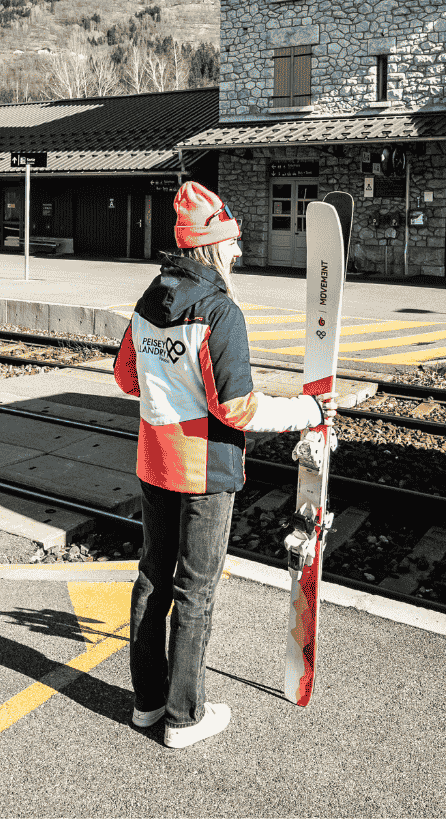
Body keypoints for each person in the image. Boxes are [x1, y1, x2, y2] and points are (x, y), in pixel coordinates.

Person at [113, 180, 333, 749]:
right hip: (203, 470)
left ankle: (147, 702)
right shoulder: (220, 311)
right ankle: (183, 719)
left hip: (154, 460)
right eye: (233, 240)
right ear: (211, 246)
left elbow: (126, 378)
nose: (239, 250)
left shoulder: (149, 300)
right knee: (195, 591)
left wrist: (170, 385)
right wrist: (307, 410)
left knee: (153, 579)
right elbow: (237, 409)